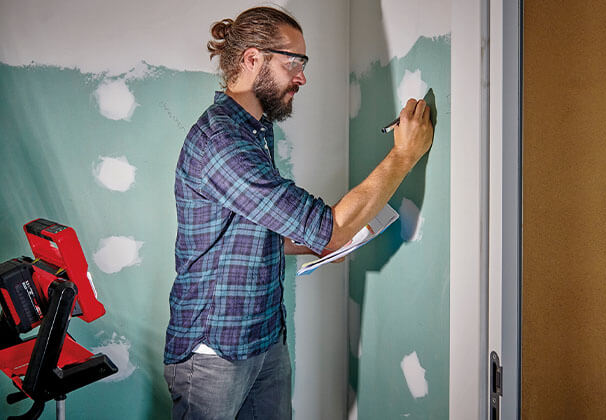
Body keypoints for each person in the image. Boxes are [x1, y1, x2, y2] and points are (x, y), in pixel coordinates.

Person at [163, 6, 433, 419]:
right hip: (214, 350)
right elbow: (330, 228)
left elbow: (250, 230)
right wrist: (404, 155)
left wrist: (315, 243)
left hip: (265, 337)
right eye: (294, 62)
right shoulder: (222, 142)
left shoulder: (256, 131)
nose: (302, 77)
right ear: (252, 59)